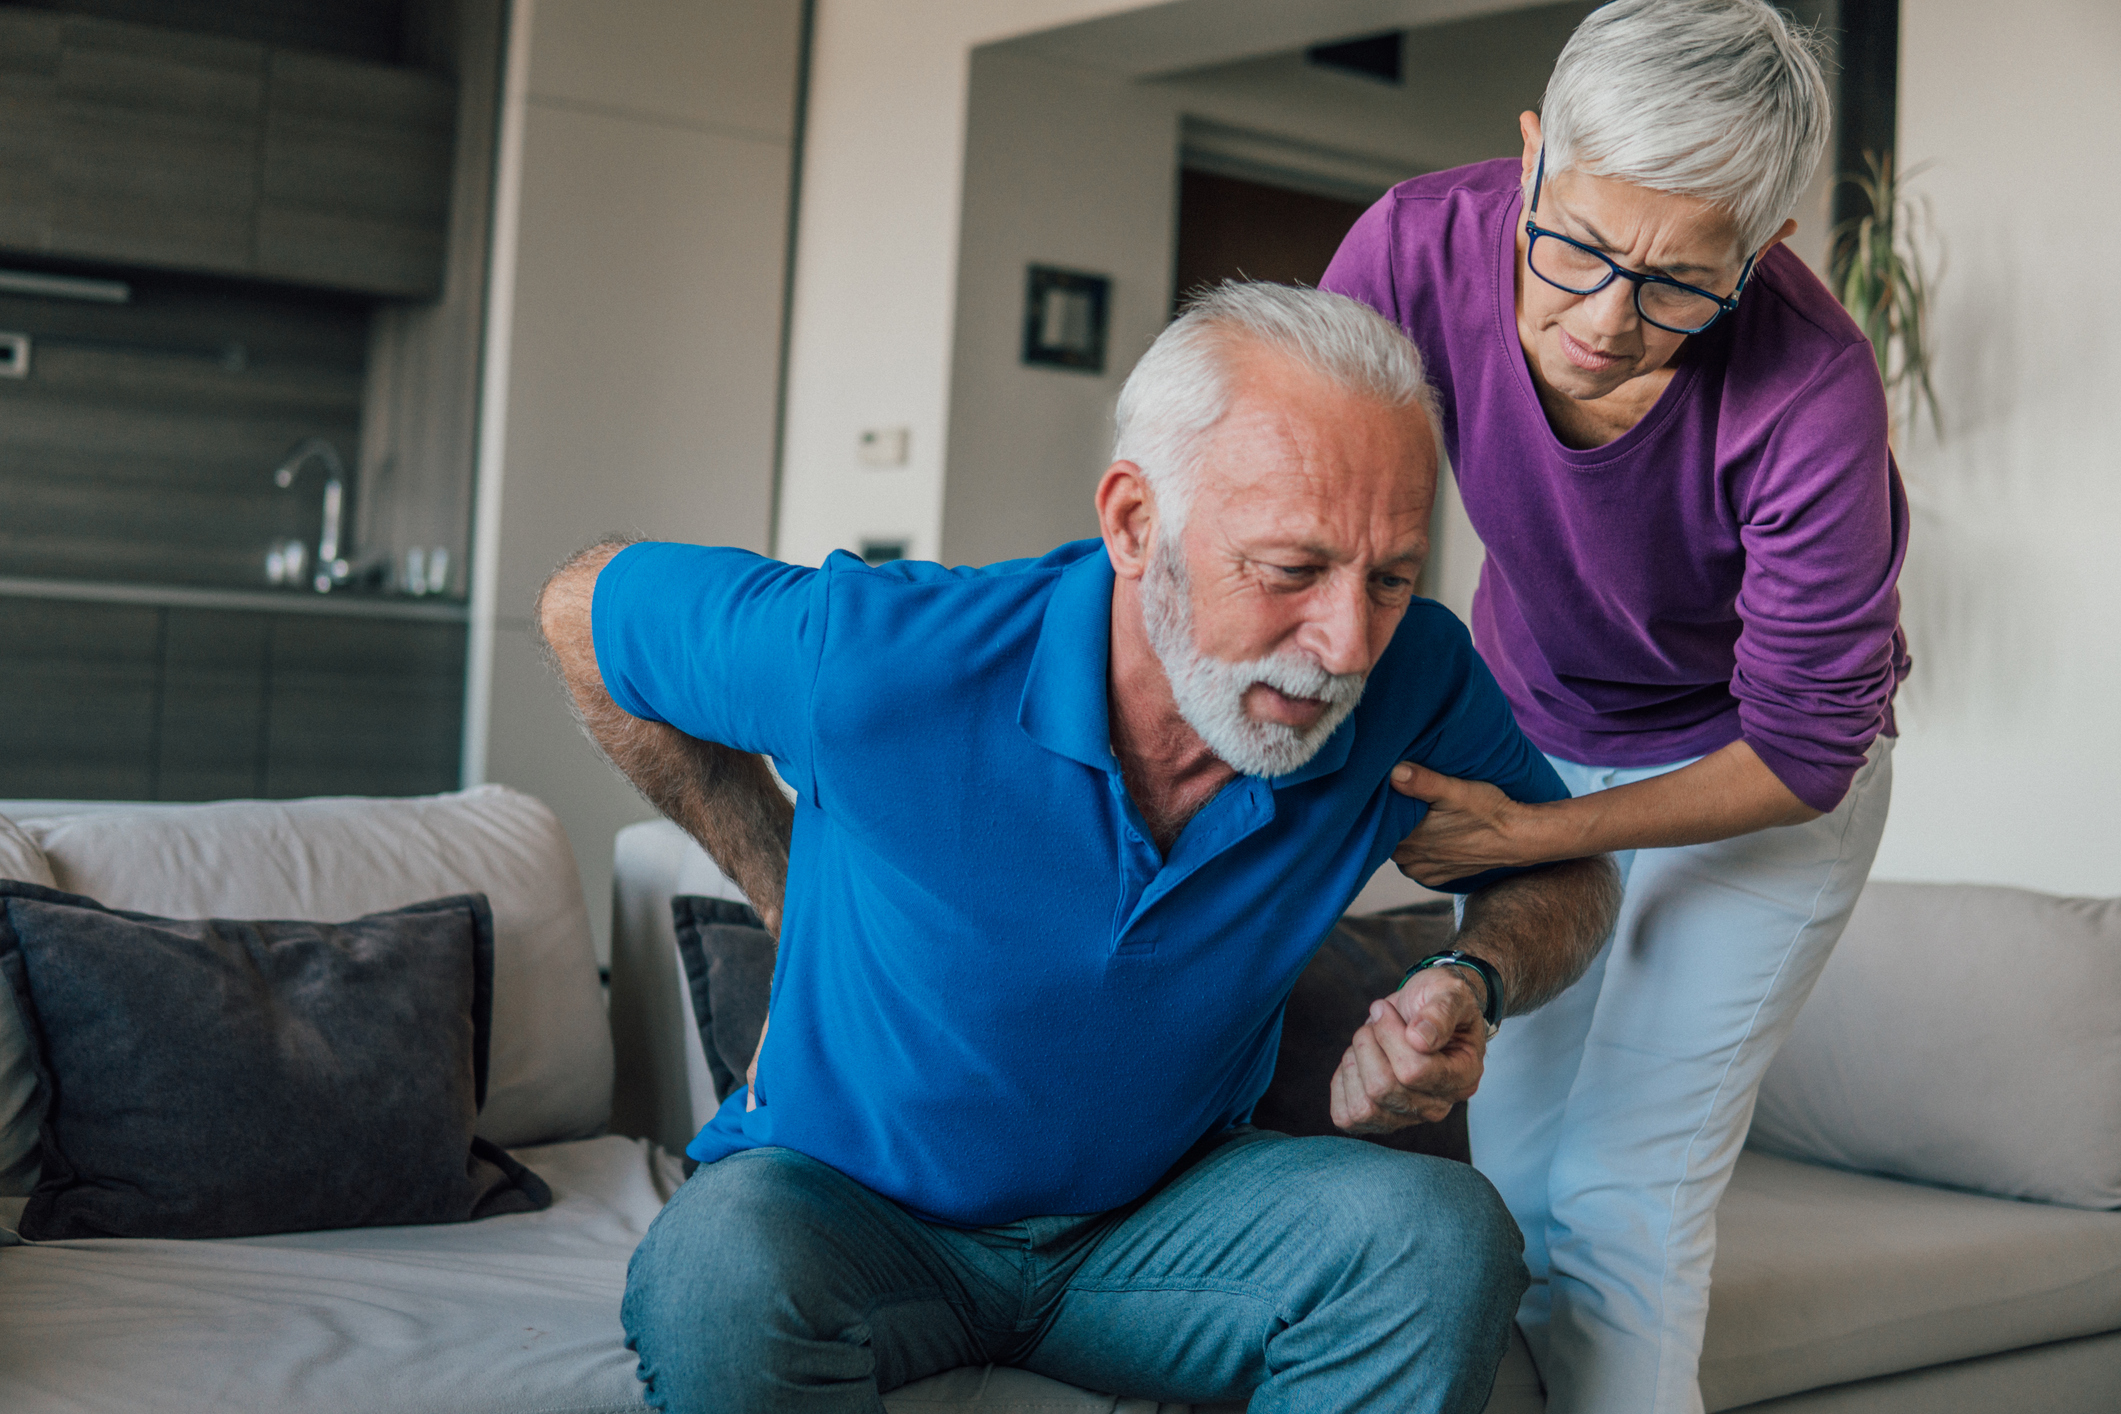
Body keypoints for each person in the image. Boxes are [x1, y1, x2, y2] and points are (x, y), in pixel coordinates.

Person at [537, 283, 1622, 1414]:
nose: (1346, 642)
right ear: (1134, 523)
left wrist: (1472, 979)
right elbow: (583, 611)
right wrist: (778, 882)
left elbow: (1562, 861)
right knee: (719, 1271)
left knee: (1440, 1238)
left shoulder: (1414, 676)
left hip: (1160, 1225)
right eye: (1291, 570)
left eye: (1391, 577)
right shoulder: (884, 658)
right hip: (843, 1212)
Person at [1318, 3, 1908, 1411]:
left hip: (1750, 780)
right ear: (1531, 157)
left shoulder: (1809, 389)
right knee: (1512, 1181)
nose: (1603, 320)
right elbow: (1298, 481)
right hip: (1543, 723)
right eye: (1573, 245)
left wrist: (1527, 834)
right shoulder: (1414, 248)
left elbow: (1806, 747)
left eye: (1676, 285)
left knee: (1621, 1191)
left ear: (1757, 253)